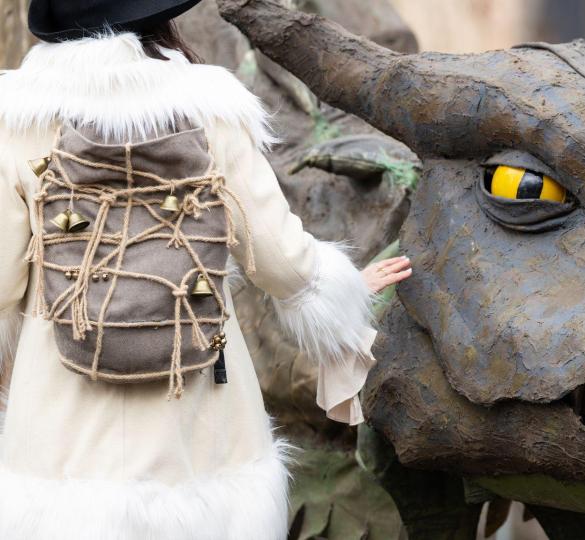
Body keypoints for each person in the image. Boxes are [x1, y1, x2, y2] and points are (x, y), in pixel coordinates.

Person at [0, 1, 412, 538]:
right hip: (197, 422)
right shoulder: (211, 110)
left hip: (59, 429)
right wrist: (342, 290)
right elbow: (278, 257)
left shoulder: (19, 121)